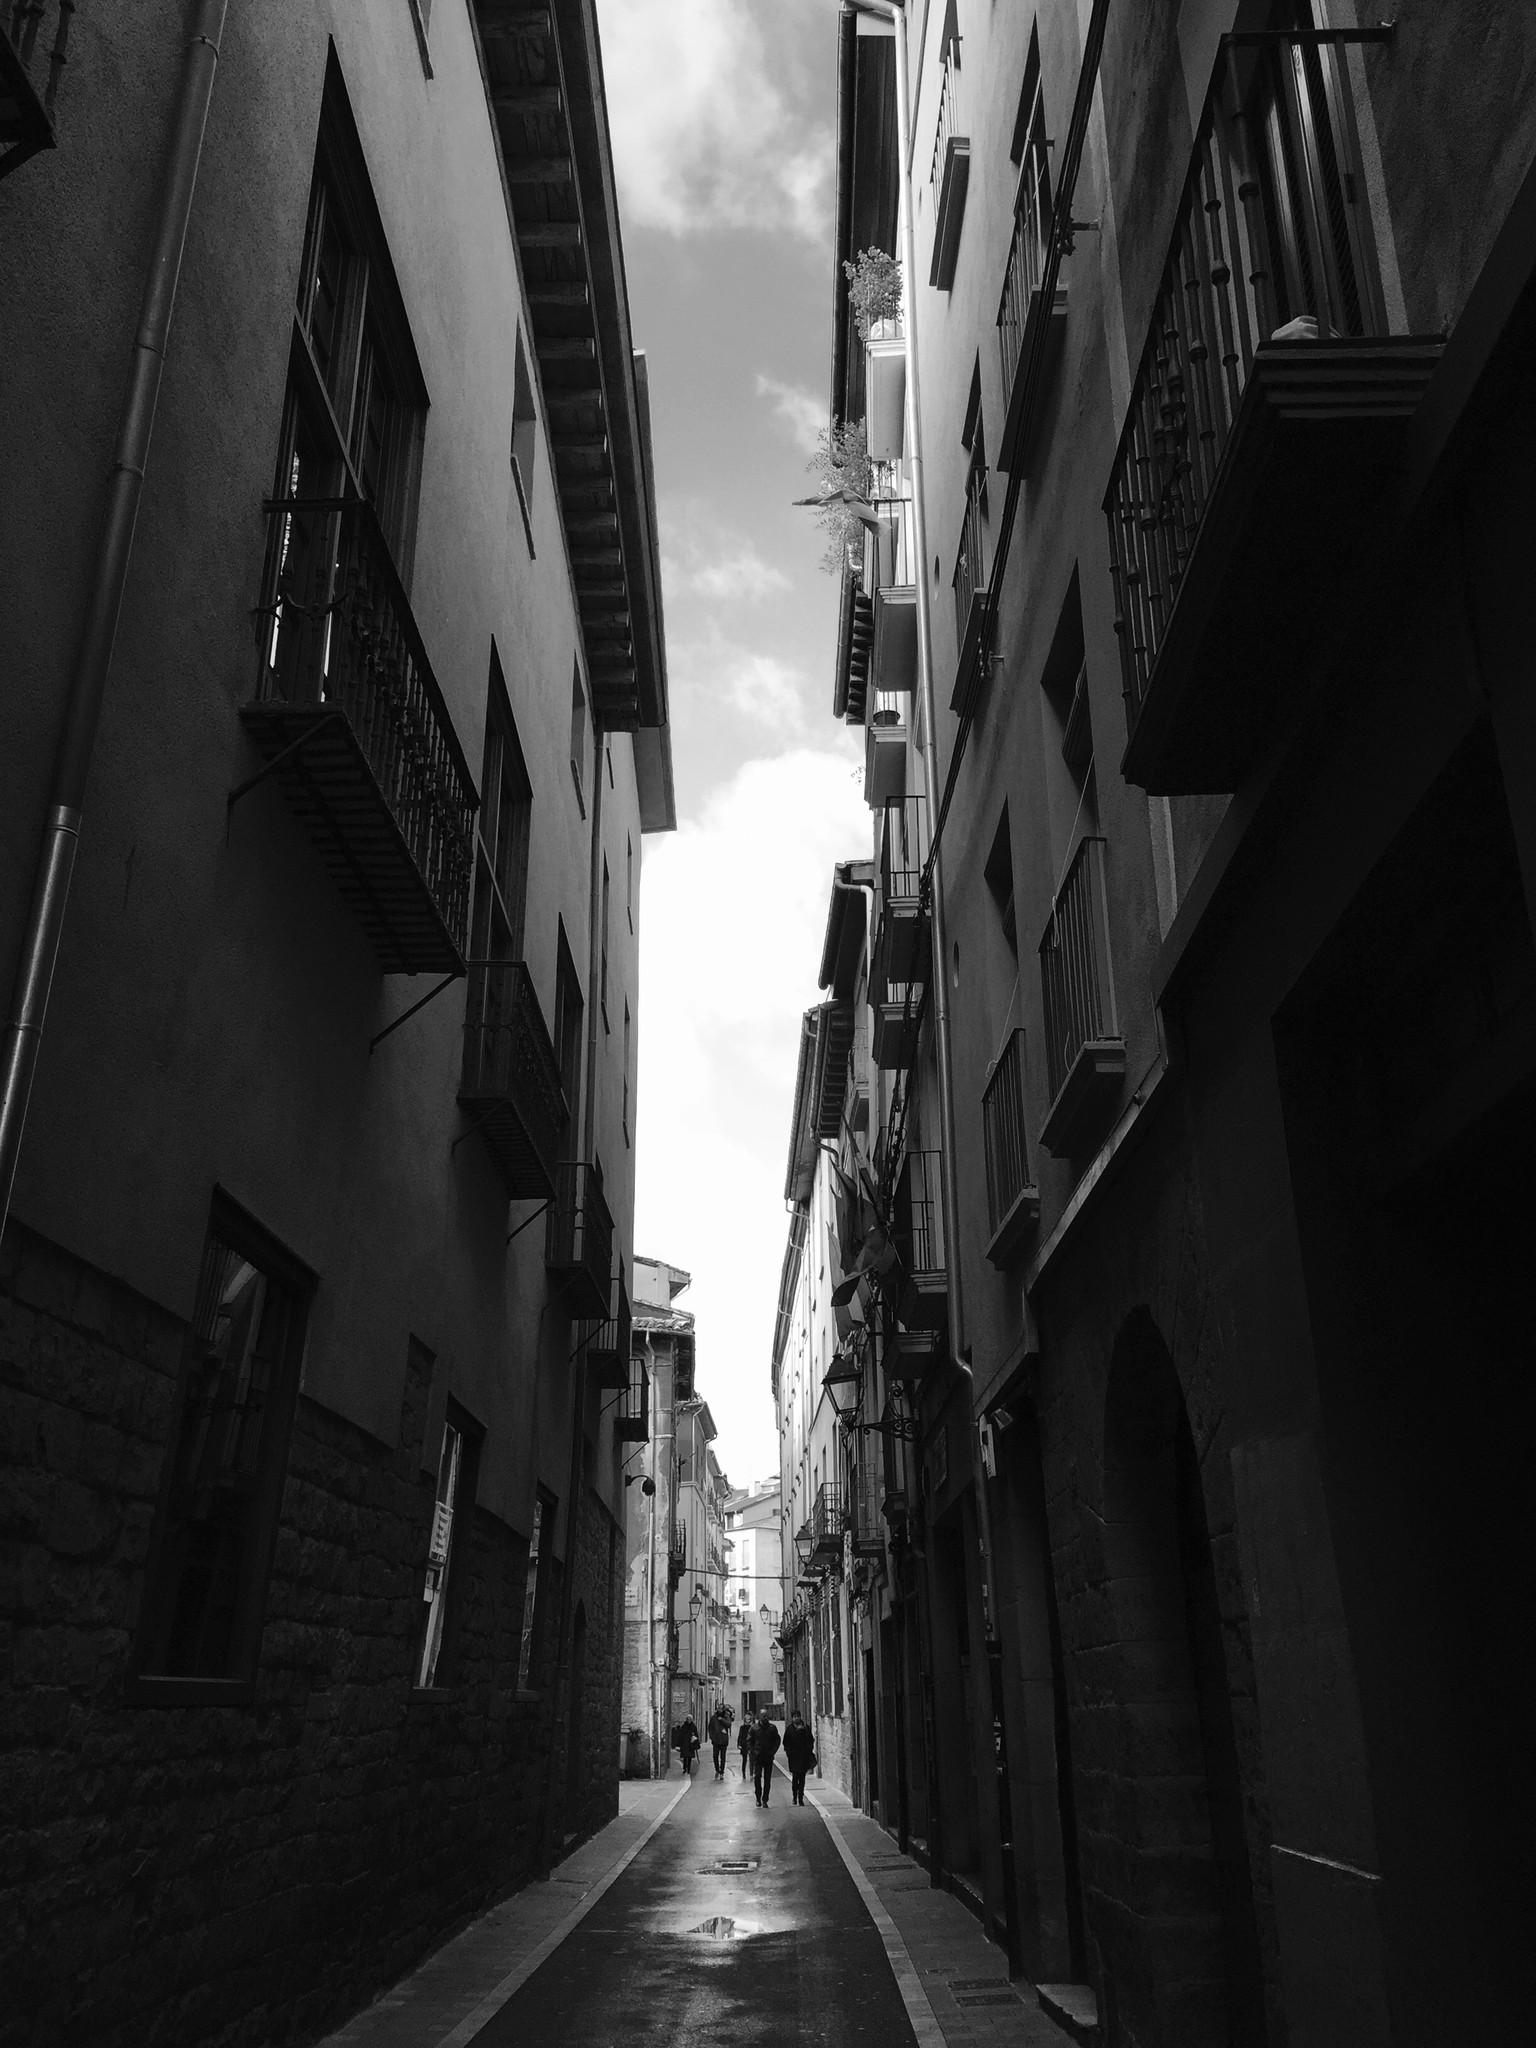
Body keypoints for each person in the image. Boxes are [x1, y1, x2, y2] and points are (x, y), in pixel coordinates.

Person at [782, 1710, 816, 1806]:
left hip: (804, 1757)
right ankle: (794, 1796)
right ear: (792, 1718)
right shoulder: (789, 1729)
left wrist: (808, 1751)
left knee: (802, 1778)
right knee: (795, 1778)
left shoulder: (806, 1728)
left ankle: (800, 1797)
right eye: (795, 1716)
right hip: (794, 1757)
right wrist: (789, 1753)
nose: (796, 1718)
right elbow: (786, 1742)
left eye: (798, 1716)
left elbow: (811, 1740)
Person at [752, 1709, 781, 1807]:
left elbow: (777, 1740)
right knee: (757, 1777)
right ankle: (758, 1797)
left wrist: (773, 1751)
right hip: (758, 1757)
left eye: (767, 1716)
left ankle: (765, 1799)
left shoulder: (772, 1728)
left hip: (768, 1757)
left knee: (767, 1779)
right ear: (759, 1716)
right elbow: (749, 1740)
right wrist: (752, 1752)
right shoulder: (754, 1728)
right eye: (763, 1716)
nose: (765, 1718)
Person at [707, 1705, 731, 1779]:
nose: (719, 1710)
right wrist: (712, 1737)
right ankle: (717, 1769)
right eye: (718, 1708)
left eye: (721, 1709)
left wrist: (722, 1720)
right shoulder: (713, 1718)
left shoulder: (726, 1716)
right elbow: (710, 1728)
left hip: (723, 1740)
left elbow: (729, 1724)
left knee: (723, 1757)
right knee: (715, 1756)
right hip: (716, 1740)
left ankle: (722, 1772)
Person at [737, 1714, 753, 1780]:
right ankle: (743, 1772)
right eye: (747, 1719)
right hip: (744, 1745)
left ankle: (751, 1773)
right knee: (744, 1760)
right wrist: (739, 1744)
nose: (748, 1720)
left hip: (751, 1745)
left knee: (752, 1760)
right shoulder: (742, 1727)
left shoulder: (752, 1727)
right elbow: (740, 1736)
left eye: (749, 1719)